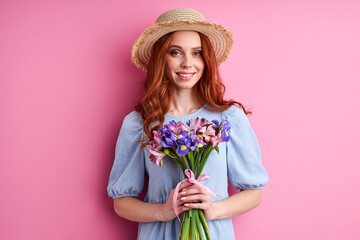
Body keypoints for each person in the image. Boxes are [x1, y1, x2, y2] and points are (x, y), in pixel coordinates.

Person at [107, 8, 269, 240]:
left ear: (206, 60)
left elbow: (254, 193)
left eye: (196, 53)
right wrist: (164, 211)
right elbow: (121, 203)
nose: (187, 63)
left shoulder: (228, 118)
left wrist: (213, 209)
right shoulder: (140, 123)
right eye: (175, 52)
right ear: (161, 58)